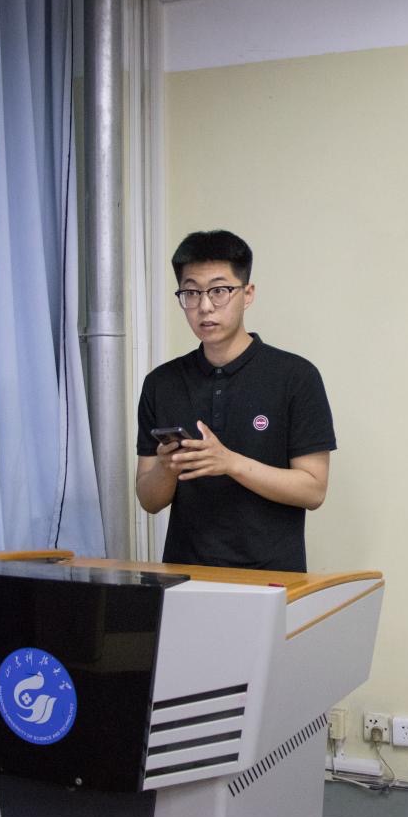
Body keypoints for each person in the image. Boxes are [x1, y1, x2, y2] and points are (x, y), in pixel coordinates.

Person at [135, 230, 335, 572]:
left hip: (272, 578)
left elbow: (313, 490)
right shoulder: (161, 383)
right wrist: (167, 468)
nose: (205, 306)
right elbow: (148, 500)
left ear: (248, 293)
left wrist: (229, 462)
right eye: (191, 293)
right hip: (186, 576)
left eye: (219, 290)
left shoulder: (296, 376)